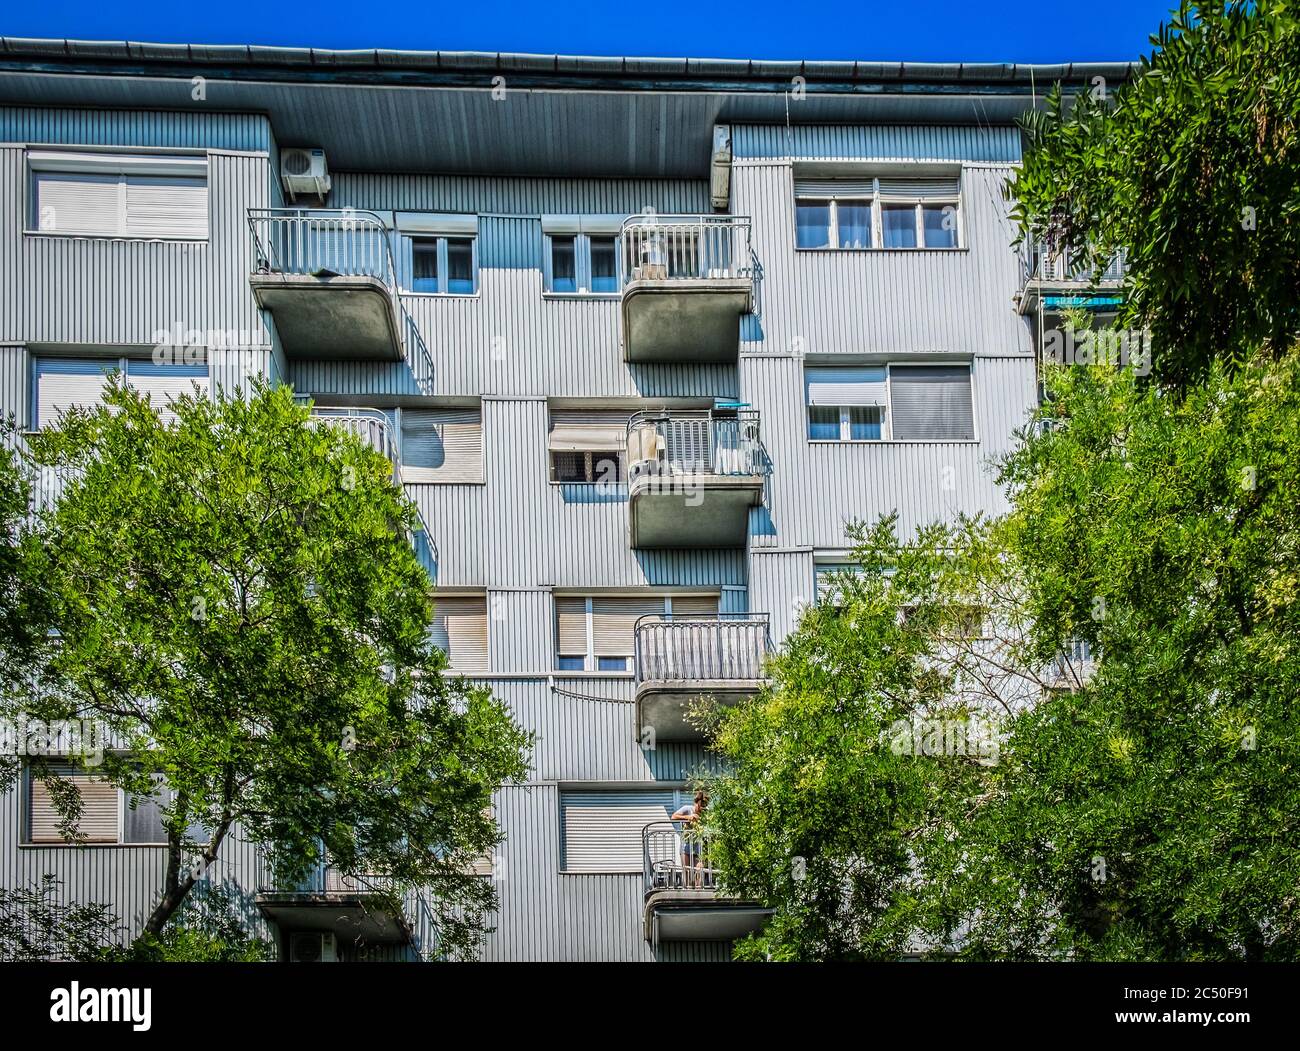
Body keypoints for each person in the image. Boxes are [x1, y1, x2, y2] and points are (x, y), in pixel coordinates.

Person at [670, 791, 709, 889]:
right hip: (686, 846)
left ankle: (698, 891)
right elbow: (673, 817)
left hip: (699, 846)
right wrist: (688, 817)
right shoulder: (687, 809)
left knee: (700, 870)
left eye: (704, 806)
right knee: (686, 871)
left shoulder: (705, 813)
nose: (701, 809)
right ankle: (687, 890)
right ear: (697, 803)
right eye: (700, 806)